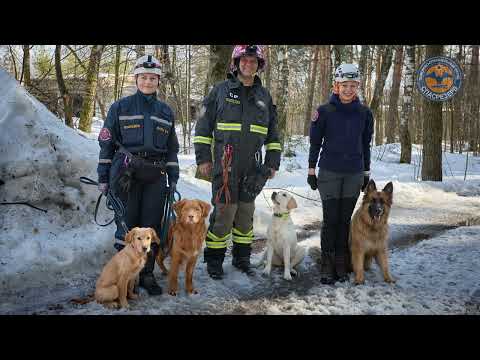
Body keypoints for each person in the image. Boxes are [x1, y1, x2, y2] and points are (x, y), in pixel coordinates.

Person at [194, 45, 281, 280]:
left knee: (245, 213)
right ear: (236, 62)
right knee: (224, 213)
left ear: (259, 65)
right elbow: (203, 126)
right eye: (244, 60)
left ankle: (242, 259)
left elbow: (273, 133)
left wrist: (273, 161)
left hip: (253, 166)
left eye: (253, 61)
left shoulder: (264, 96)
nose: (248, 64)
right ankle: (214, 260)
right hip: (225, 165)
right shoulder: (220, 91)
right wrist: (203, 158)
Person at [96, 54, 180, 295]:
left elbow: (172, 149)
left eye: (152, 78)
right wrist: (103, 177)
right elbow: (106, 145)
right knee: (127, 228)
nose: (147, 82)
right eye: (143, 77)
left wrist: (173, 178)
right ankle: (125, 276)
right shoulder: (119, 107)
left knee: (151, 229)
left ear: (158, 81)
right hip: (126, 173)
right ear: (136, 79)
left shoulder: (165, 112)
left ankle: (146, 275)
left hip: (155, 176)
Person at [307, 63, 374, 285]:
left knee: (345, 221)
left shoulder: (364, 113)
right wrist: (311, 169)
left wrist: (366, 172)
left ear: (357, 86)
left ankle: (340, 262)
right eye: (344, 84)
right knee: (331, 220)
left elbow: (366, 145)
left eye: (352, 85)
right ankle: (326, 263)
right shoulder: (324, 111)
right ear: (336, 85)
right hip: (329, 173)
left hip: (354, 174)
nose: (348, 89)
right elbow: (315, 143)